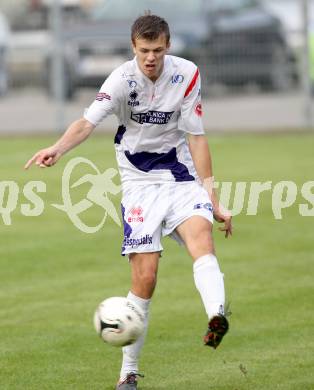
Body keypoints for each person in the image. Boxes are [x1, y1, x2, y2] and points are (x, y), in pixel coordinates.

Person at [25, 13, 232, 390]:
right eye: (143, 51)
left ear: (167, 46)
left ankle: (217, 314)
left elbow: (197, 138)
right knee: (145, 278)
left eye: (156, 50)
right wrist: (58, 148)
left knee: (203, 239)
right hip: (138, 184)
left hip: (180, 177)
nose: (150, 57)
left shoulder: (186, 74)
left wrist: (212, 197)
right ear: (133, 48)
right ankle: (128, 373)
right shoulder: (121, 79)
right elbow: (87, 122)